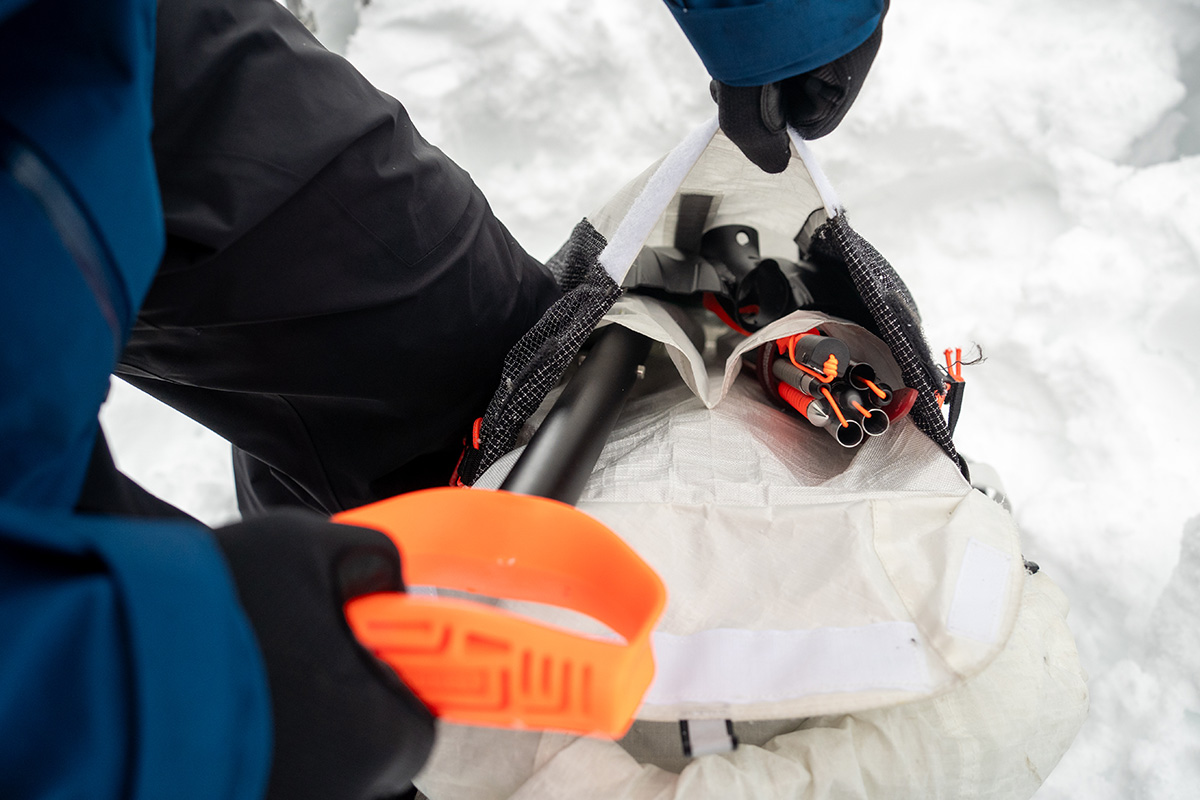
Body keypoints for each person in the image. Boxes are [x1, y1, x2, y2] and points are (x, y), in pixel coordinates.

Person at [0, 1, 886, 798]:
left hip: (101, 38)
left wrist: (780, 14)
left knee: (493, 377)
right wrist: (172, 695)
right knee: (284, 714)